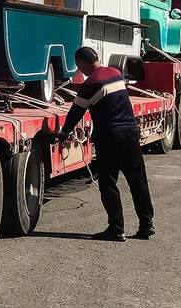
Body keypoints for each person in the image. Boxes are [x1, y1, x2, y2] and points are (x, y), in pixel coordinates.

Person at [54, 46, 155, 242]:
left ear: (81, 63)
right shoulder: (115, 73)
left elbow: (76, 112)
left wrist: (64, 132)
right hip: (130, 133)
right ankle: (147, 224)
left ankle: (116, 228)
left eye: (78, 66)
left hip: (110, 137)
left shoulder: (91, 83)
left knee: (108, 182)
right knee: (138, 180)